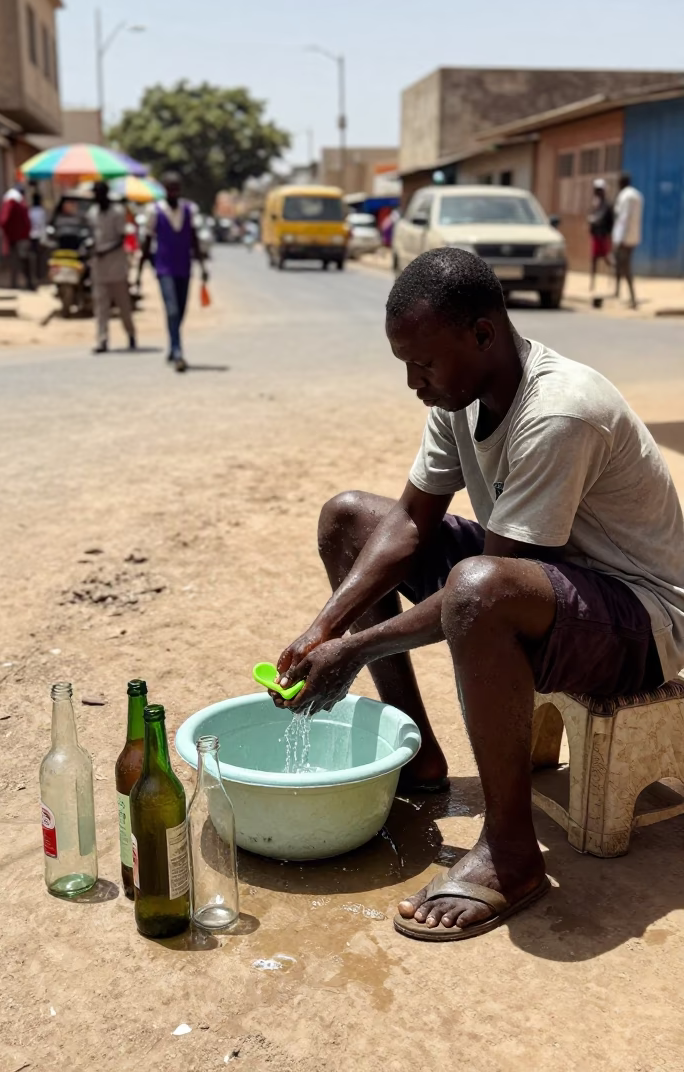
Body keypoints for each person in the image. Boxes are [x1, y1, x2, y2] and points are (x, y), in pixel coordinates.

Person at [274, 247, 684, 942]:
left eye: (424, 365)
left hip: (644, 621)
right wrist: (325, 629)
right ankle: (421, 759)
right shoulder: (459, 394)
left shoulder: (561, 411)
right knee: (349, 519)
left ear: (484, 335)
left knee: (478, 590)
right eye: (406, 364)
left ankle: (512, 855)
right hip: (549, 582)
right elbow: (409, 522)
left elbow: (490, 581)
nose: (413, 381)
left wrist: (355, 649)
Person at [138, 170, 205, 373]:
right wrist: (139, 271)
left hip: (184, 266)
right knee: (172, 309)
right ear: (164, 190)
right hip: (164, 267)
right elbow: (147, 242)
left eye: (176, 188)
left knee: (181, 310)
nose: (174, 192)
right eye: (170, 188)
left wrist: (203, 267)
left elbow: (194, 240)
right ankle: (178, 352)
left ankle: (172, 345)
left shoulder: (190, 210)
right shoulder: (154, 211)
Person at [88, 181, 136, 354]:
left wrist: (105, 250)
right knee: (101, 306)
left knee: (123, 305)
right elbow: (92, 234)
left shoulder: (117, 212)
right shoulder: (92, 213)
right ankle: (102, 340)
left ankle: (130, 334)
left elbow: (122, 237)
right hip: (99, 268)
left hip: (116, 266)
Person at [612, 172, 643, 309]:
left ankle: (633, 298)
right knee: (620, 264)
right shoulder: (637, 195)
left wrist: (618, 239)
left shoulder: (625, 197)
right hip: (634, 236)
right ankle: (617, 291)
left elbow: (623, 219)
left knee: (625, 267)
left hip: (624, 238)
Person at [0, 186, 32, 290]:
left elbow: (3, 221)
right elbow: (5, 220)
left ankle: (18, 283)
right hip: (20, 237)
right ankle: (25, 283)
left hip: (16, 238)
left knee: (18, 261)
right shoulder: (14, 203)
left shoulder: (12, 203)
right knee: (22, 260)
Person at [587, 178, 613, 292]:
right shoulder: (595, 203)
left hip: (603, 235)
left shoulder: (606, 204)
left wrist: (594, 220)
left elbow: (603, 218)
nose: (597, 192)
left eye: (599, 190)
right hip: (596, 235)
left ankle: (613, 280)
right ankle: (592, 283)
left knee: (607, 259)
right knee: (594, 259)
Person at [28, 189, 48, 287]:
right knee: (40, 259)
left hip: (32, 237)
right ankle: (40, 276)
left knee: (34, 259)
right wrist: (44, 239)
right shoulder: (41, 211)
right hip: (39, 237)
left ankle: (35, 277)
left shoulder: (30, 211)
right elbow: (43, 225)